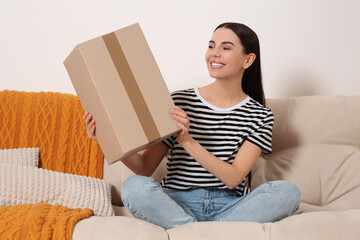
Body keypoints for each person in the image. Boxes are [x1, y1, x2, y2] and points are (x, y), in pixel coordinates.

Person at [83, 22, 301, 229]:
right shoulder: (178, 101)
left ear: (248, 60)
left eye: (226, 48)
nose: (214, 53)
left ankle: (193, 232)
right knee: (134, 186)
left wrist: (187, 141)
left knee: (287, 192)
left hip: (229, 205)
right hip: (175, 203)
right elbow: (145, 167)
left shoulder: (260, 115)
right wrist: (105, 137)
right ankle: (206, 232)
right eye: (211, 46)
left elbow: (234, 178)